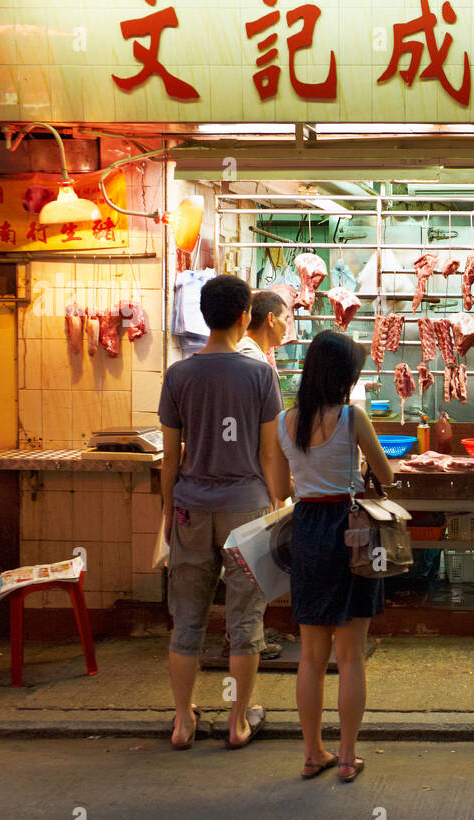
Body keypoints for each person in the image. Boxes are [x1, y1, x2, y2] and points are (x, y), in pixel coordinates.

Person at [159, 274, 287, 750]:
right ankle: (237, 720)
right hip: (246, 509)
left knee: (186, 619)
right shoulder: (260, 375)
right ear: (243, 317)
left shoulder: (179, 375)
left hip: (192, 507)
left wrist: (170, 515)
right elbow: (270, 454)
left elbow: (170, 459)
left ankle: (182, 721)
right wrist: (275, 504)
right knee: (245, 620)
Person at [271, 330, 394, 783]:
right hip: (352, 532)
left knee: (310, 655)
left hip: (306, 532)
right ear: (343, 376)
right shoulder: (352, 418)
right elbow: (387, 474)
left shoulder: (286, 421)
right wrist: (356, 472)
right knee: (351, 657)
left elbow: (281, 488)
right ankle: (345, 757)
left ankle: (310, 754)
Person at [231, 288, 297, 661]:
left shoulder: (252, 357)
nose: (289, 325)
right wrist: (280, 485)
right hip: (249, 481)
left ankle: (246, 636)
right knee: (250, 569)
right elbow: (264, 437)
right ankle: (246, 642)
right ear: (270, 319)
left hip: (242, 479)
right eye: (286, 318)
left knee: (246, 570)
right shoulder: (251, 362)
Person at [239, 289, 291, 366]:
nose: (287, 326)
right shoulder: (253, 358)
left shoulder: (250, 352)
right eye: (285, 319)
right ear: (271, 319)